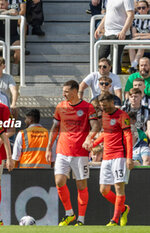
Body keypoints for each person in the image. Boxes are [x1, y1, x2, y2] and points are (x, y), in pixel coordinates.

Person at [46, 80, 99, 226]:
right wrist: (49, 148)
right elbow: (55, 128)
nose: (63, 94)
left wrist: (89, 138)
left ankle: (81, 219)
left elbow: (96, 125)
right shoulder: (60, 106)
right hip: (62, 150)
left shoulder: (87, 107)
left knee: (81, 185)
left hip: (80, 152)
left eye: (66, 91)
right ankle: (69, 213)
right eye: (63, 91)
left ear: (75, 91)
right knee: (59, 181)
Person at [92, 92, 133, 226]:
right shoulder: (104, 114)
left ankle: (114, 220)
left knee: (118, 187)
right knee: (104, 190)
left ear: (112, 102)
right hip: (106, 156)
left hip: (119, 156)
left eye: (106, 106)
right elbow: (105, 134)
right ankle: (124, 209)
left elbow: (128, 136)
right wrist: (93, 143)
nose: (104, 109)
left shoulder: (122, 115)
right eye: (102, 106)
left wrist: (129, 158)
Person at [95, 0, 135, 74]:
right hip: (107, 33)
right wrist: (100, 27)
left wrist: (123, 31)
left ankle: (116, 80)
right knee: (100, 57)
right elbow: (108, 14)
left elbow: (131, 15)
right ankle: (103, 79)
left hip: (118, 33)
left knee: (115, 59)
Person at [0, 0, 21, 75]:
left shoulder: (11, 10)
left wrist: (1, 12)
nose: (0, 6)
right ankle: (1, 65)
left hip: (13, 37)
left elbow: (14, 12)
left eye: (2, 4)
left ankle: (15, 65)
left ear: (7, 4)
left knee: (19, 48)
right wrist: (1, 12)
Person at [128, 0, 150, 73]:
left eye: (143, 8)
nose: (141, 10)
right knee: (130, 44)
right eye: (139, 8)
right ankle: (133, 66)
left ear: (148, 8)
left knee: (142, 44)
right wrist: (144, 35)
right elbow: (134, 34)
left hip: (144, 40)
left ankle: (133, 66)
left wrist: (140, 36)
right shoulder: (135, 18)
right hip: (140, 39)